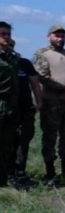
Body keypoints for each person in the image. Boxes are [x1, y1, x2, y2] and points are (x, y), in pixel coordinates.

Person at [33, 24, 65, 183]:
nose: (60, 39)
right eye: (57, 35)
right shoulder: (43, 54)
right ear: (49, 36)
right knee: (50, 137)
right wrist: (64, 89)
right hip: (51, 102)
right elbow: (42, 77)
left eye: (62, 36)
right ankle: (50, 171)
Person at [11, 38, 41, 188]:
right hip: (7, 111)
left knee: (23, 142)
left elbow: (35, 84)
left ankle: (20, 174)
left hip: (25, 109)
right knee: (7, 142)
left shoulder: (24, 63)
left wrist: (39, 102)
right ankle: (8, 174)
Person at [0, 21, 19, 188]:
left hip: (11, 105)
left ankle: (4, 178)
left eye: (8, 34)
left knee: (8, 144)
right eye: (3, 34)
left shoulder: (11, 57)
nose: (6, 37)